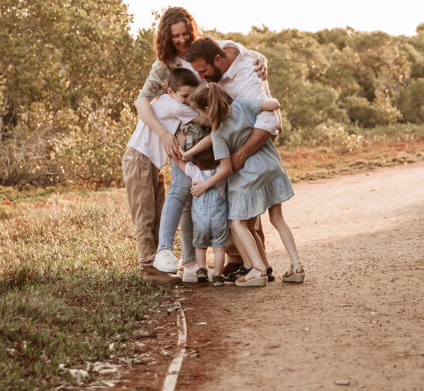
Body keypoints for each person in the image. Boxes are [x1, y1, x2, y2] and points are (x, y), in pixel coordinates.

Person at [133, 7, 268, 282]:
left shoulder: (203, 48)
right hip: (191, 137)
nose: (182, 40)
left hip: (218, 131)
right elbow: (141, 101)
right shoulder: (165, 64)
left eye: (186, 33)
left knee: (231, 191)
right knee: (188, 196)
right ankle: (191, 262)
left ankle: (245, 259)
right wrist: (163, 134)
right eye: (176, 36)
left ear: (192, 30)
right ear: (166, 37)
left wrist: (262, 57)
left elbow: (239, 51)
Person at [186, 83, 305, 287]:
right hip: (272, 167)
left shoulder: (219, 133)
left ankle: (257, 270)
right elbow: (274, 103)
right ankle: (297, 266)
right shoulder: (243, 104)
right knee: (277, 218)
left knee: (236, 223)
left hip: (249, 177)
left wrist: (204, 186)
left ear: (206, 110)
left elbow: (226, 169)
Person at [184, 37, 281, 281]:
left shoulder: (246, 77)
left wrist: (242, 153)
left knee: (239, 217)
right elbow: (235, 48)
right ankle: (258, 266)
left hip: (255, 146)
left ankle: (255, 266)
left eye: (204, 71)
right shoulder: (218, 48)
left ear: (218, 60)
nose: (203, 77)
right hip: (236, 143)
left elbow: (271, 121)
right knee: (241, 215)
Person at [122, 68, 201, 284]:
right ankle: (148, 266)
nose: (187, 101)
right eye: (185, 96)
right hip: (139, 160)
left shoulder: (172, 102)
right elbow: (203, 119)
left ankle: (158, 264)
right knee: (144, 214)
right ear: (170, 91)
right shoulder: (172, 104)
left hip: (151, 162)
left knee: (158, 211)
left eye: (190, 97)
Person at [175, 145, 229, 287]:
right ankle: (217, 276)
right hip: (219, 221)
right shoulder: (220, 173)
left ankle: (202, 269)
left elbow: (179, 162)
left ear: (196, 161)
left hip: (200, 222)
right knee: (219, 249)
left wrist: (179, 147)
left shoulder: (195, 171)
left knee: (200, 246)